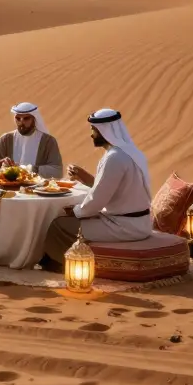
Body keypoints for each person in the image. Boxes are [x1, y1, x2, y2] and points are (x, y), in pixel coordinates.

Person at [38, 108, 153, 272]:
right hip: (140, 223)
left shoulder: (114, 158)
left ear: (103, 131)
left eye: (94, 130)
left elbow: (98, 200)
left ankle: (63, 266)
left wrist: (77, 212)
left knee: (60, 225)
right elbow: (113, 190)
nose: (92, 134)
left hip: (125, 226)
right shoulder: (133, 153)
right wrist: (84, 177)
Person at [0, 102, 64, 178]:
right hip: (9, 189)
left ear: (34, 119)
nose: (21, 123)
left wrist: (31, 169)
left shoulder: (48, 141)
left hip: (37, 191)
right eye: (18, 118)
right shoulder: (6, 139)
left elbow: (57, 171)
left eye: (26, 118)